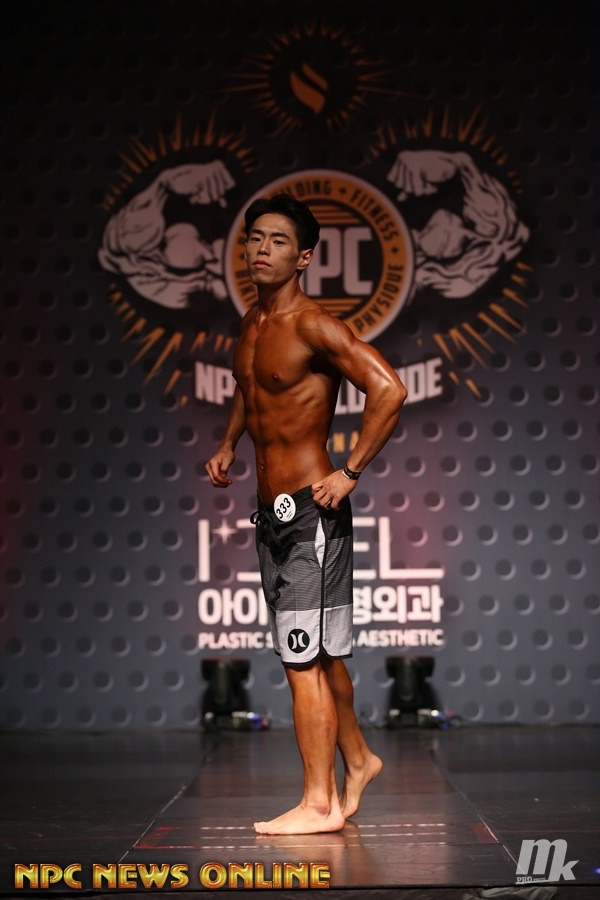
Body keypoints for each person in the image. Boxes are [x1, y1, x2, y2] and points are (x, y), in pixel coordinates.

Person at [205, 193, 407, 835]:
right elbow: (250, 391)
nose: (261, 249)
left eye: (277, 241)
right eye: (254, 238)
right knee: (320, 655)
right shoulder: (253, 322)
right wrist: (228, 443)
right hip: (272, 514)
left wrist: (350, 471)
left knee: (301, 660)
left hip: (312, 517)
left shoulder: (313, 326)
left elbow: (389, 388)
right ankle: (360, 758)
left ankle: (319, 804)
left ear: (304, 257)